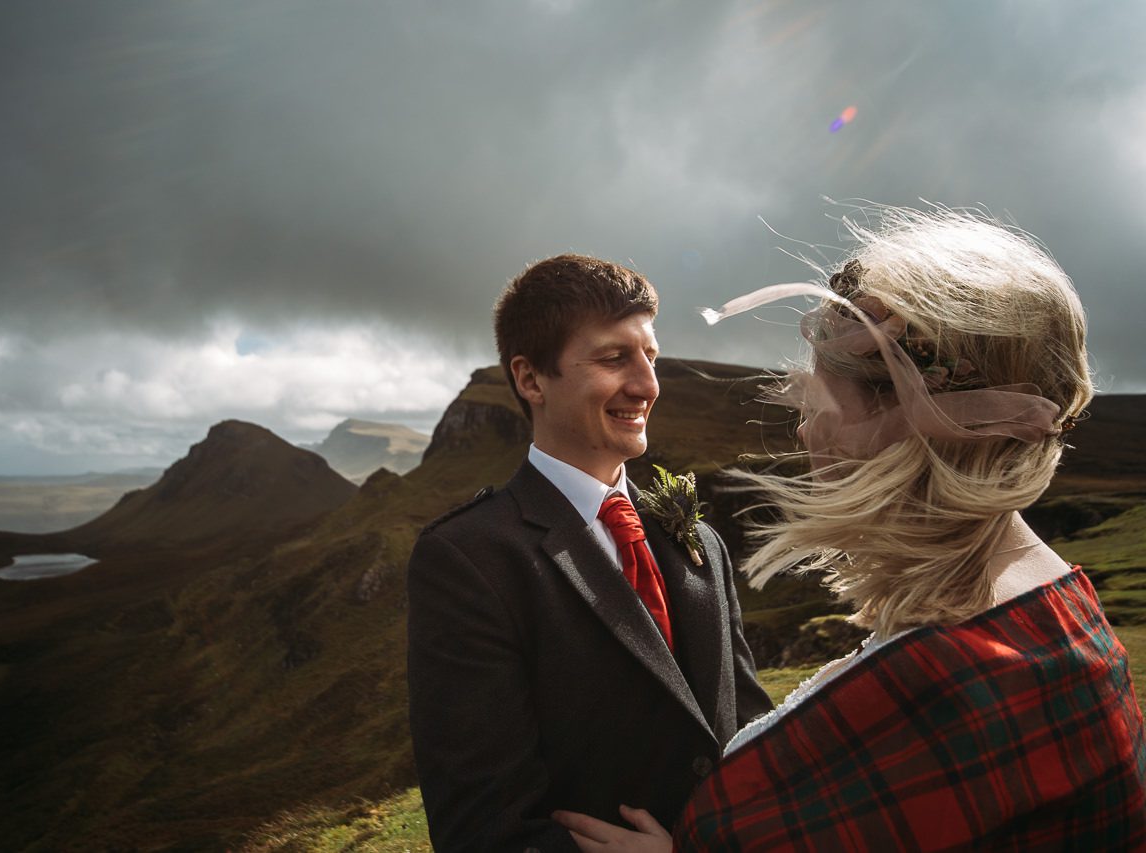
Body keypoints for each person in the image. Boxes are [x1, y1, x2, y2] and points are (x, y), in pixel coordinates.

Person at [553, 209, 1146, 850]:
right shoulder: (1062, 603)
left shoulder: (934, 681)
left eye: (825, 404)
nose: (806, 430)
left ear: (908, 421)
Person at [407, 254, 773, 852]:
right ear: (531, 380)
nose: (648, 385)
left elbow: (757, 743)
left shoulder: (698, 538)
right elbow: (480, 829)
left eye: (650, 357)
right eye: (613, 359)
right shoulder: (468, 558)